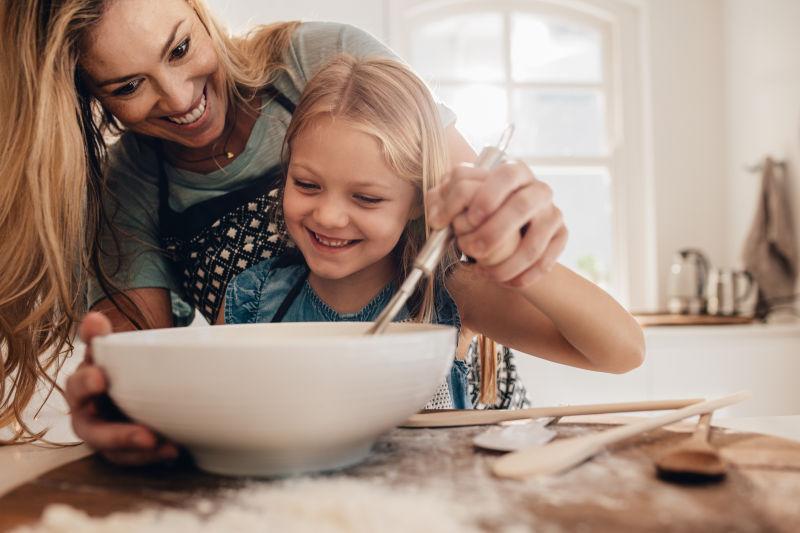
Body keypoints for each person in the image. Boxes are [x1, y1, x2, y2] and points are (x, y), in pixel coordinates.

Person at [0, 0, 644, 463]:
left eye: (179, 48)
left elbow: (616, 347)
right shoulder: (244, 293)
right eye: (129, 86)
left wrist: (514, 245)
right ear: (90, 99)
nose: (177, 98)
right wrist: (123, 402)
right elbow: (150, 374)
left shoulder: (447, 292)